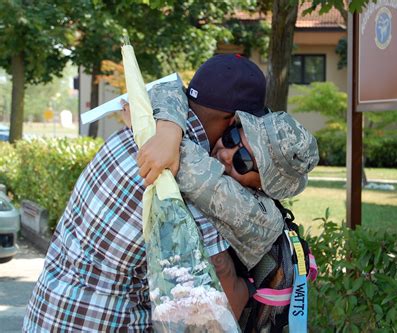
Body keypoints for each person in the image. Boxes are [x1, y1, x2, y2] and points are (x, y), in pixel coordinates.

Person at [23, 54, 291, 332]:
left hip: (45, 314)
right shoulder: (187, 185)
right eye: (239, 135)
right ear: (235, 120)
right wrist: (251, 287)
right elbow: (221, 308)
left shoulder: (131, 135)